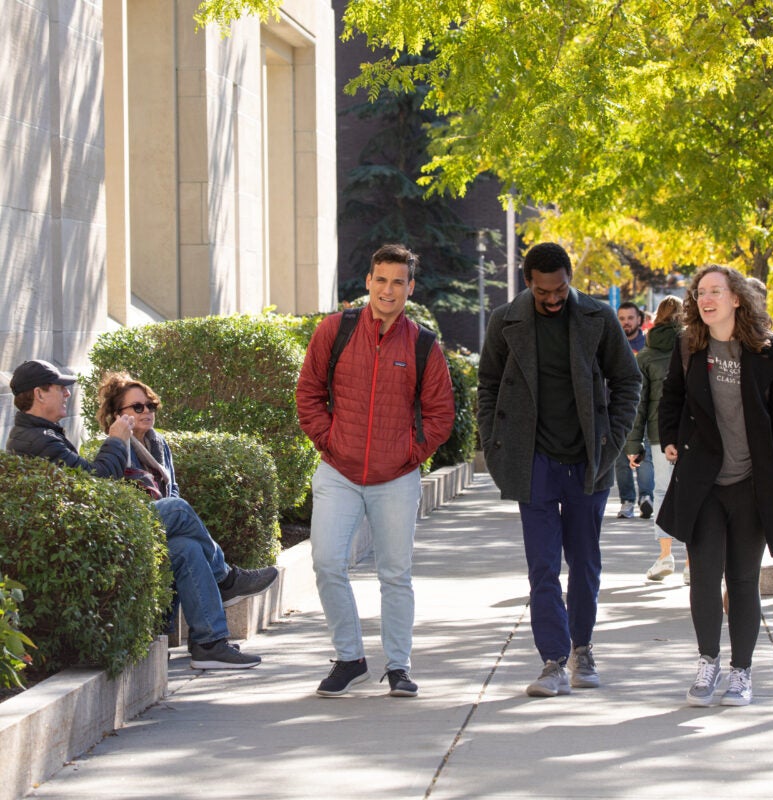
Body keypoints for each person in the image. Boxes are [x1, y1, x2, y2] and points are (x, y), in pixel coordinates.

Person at [6, 359, 278, 671]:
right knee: (177, 509)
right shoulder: (38, 439)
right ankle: (226, 578)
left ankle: (209, 643)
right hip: (103, 534)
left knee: (187, 549)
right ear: (40, 394)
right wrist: (116, 441)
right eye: (60, 388)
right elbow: (98, 481)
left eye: (150, 405)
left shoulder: (44, 434)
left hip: (109, 527)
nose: (67, 395)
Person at [477, 242, 641, 698]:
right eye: (544, 291)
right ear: (528, 283)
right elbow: (487, 385)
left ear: (570, 279)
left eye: (561, 289)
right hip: (533, 462)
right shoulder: (506, 321)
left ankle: (582, 648)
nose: (553, 298)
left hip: (589, 459)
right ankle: (552, 660)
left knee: (585, 562)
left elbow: (628, 380)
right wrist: (494, 445)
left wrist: (611, 442)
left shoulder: (597, 319)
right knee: (543, 566)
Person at [296, 243, 455, 698]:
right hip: (338, 472)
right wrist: (330, 441)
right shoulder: (336, 330)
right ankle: (349, 658)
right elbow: (309, 393)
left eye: (398, 282)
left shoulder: (423, 343)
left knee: (395, 573)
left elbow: (441, 413)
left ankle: (399, 667)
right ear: (368, 282)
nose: (388, 290)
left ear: (410, 287)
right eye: (381, 280)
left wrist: (409, 454)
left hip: (395, 478)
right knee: (326, 561)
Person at [658, 265, 773, 707]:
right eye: (701, 292)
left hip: (751, 485)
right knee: (702, 578)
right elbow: (672, 399)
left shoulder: (771, 350)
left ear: (736, 298)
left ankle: (741, 671)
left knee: (742, 579)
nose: (706, 298)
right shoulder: (689, 347)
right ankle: (707, 663)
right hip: (704, 485)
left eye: (715, 291)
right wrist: (669, 440)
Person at [623, 296, 689, 582]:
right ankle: (693, 563)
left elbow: (638, 404)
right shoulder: (694, 348)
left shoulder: (647, 355)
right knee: (694, 493)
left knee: (662, 492)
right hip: (693, 433)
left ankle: (665, 555)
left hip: (658, 434)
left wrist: (632, 445)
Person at [615, 301, 655, 519]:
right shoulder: (612, 344)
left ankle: (646, 498)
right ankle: (627, 501)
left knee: (644, 456)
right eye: (621, 318)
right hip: (618, 410)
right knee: (620, 459)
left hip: (643, 409)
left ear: (639, 320)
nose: (626, 323)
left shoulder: (647, 345)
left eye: (630, 318)